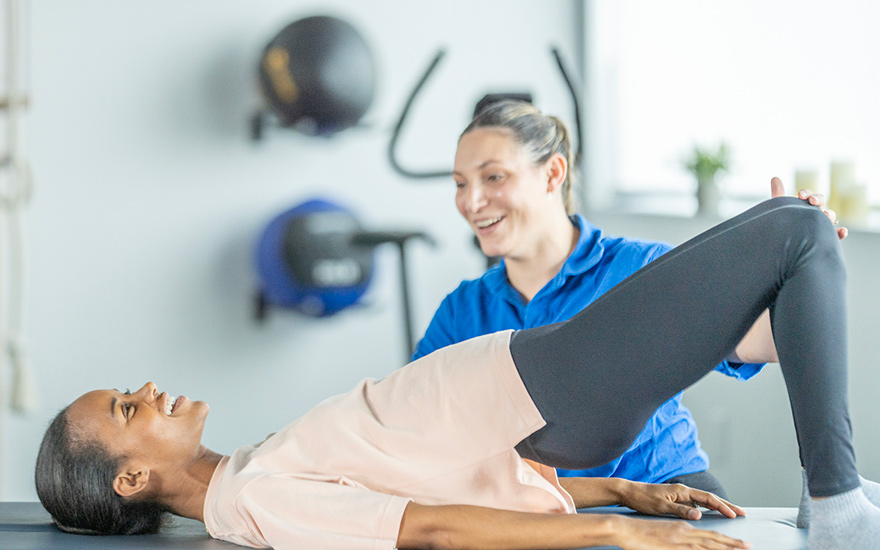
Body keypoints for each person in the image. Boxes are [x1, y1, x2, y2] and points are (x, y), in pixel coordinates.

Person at [35, 194, 877, 550]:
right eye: (123, 406)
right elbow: (428, 530)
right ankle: (838, 502)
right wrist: (616, 534)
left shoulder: (250, 469)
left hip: (546, 396)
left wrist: (616, 492)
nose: (144, 389)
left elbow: (445, 485)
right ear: (133, 474)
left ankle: (827, 497)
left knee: (786, 225)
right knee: (798, 232)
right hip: (550, 390)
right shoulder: (252, 499)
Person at [413, 100, 846, 497]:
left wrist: (798, 275)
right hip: (535, 508)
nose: (471, 201)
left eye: (493, 177)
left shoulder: (640, 266)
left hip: (667, 488)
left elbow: (763, 344)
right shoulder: (462, 310)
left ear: (552, 174)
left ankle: (832, 492)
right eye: (459, 184)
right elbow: (415, 429)